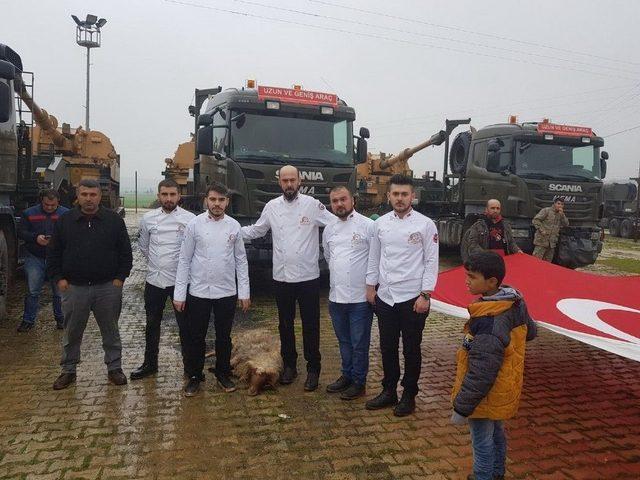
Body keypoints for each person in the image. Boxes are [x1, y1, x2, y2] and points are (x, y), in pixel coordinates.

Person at [241, 165, 335, 391]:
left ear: (299, 181)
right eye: (285, 180)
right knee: (285, 325)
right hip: (282, 278)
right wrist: (231, 230)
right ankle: (290, 366)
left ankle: (313, 369)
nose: (289, 184)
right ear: (279, 182)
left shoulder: (312, 206)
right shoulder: (272, 207)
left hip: (308, 278)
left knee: (311, 326)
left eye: (293, 180)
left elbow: (335, 223)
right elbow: (258, 230)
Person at [451, 251, 537, 480]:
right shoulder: (515, 301)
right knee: (496, 432)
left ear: (491, 282)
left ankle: (483, 476)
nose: (466, 280)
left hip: (485, 394)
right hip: (503, 388)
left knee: (482, 440)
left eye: (471, 276)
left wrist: (462, 408)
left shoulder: (490, 321)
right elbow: (532, 331)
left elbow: (481, 373)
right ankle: (497, 473)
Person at [47, 179, 133, 390]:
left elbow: (126, 253)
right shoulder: (65, 221)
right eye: (84, 194)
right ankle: (68, 370)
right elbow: (53, 253)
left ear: (99, 196)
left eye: (93, 194)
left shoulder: (113, 221)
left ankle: (114, 368)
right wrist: (60, 279)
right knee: (72, 332)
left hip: (107, 288)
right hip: (74, 288)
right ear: (78, 194)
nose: (89, 199)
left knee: (110, 331)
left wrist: (119, 279)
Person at [365, 174, 439, 417]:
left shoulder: (426, 225)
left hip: (413, 298)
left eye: (404, 194)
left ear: (412, 196)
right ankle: (389, 391)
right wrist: (370, 287)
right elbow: (374, 258)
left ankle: (409, 395)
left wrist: (425, 294)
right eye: (395, 194)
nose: (399, 198)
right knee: (387, 347)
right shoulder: (380, 224)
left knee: (411, 349)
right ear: (388, 196)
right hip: (386, 296)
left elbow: (431, 262)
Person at [173, 182, 250, 397]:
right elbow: (184, 260)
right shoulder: (194, 225)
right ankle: (195, 376)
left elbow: (241, 261)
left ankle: (223, 373)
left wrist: (244, 292)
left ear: (227, 201)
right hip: (198, 292)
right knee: (196, 336)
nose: (217, 204)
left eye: (221, 200)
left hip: (226, 291)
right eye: (213, 199)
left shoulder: (234, 226)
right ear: (206, 200)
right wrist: (180, 293)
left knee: (224, 336)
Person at [131, 179, 195, 380]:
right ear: (158, 196)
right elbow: (143, 246)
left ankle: (190, 366)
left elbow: (194, 251)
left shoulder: (190, 219)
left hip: (180, 282)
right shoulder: (148, 219)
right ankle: (150, 364)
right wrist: (158, 264)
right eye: (164, 195)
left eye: (172, 195)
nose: (169, 199)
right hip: (154, 281)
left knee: (185, 327)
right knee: (151, 324)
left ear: (179, 196)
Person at [322, 186, 374, 400]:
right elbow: (328, 256)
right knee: (343, 341)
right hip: (336, 297)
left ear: (352, 199)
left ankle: (359, 382)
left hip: (360, 298)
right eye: (335, 201)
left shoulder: (368, 226)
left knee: (359, 343)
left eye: (343, 199)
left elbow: (375, 259)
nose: (339, 204)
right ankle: (346, 375)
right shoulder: (328, 228)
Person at [17, 189, 69, 332]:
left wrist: (57, 241)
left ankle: (61, 320)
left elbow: (72, 234)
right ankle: (28, 320)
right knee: (33, 291)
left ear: (58, 201)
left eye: (53, 205)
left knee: (59, 292)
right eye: (47, 205)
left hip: (58, 260)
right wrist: (35, 238)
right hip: (35, 257)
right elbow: (21, 232)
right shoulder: (29, 213)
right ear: (41, 201)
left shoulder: (66, 214)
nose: (50, 207)